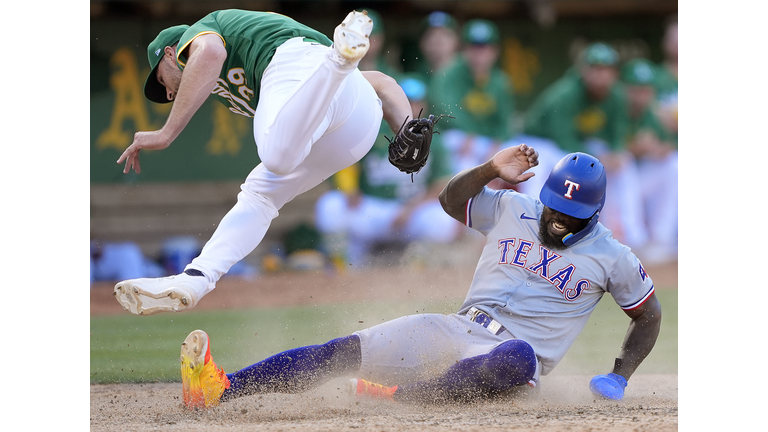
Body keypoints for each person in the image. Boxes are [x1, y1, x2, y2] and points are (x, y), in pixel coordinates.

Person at [176, 145, 661, 409]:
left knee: (517, 357)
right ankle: (219, 388)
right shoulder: (513, 207)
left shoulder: (613, 257)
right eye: (554, 206)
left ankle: (398, 397)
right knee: (341, 351)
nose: (557, 218)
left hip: (513, 357)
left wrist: (620, 375)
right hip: (456, 328)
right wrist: (488, 170)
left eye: (572, 214)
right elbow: (450, 202)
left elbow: (648, 315)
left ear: (595, 212)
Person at [112, 9, 416, 315]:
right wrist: (407, 129)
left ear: (171, 53)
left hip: (301, 64)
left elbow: (211, 52)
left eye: (161, 79)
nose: (168, 92)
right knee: (260, 192)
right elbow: (380, 82)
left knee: (276, 156)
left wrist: (165, 133)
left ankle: (337, 60)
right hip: (355, 125)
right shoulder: (220, 79)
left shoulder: (202, 33)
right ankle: (197, 277)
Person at [314, 75, 460, 267]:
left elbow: (443, 184)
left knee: (442, 218)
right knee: (330, 205)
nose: (411, 107)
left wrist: (411, 208)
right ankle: (342, 267)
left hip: (411, 214)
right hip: (372, 210)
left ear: (424, 105)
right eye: (406, 101)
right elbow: (343, 161)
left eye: (416, 102)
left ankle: (418, 267)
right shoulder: (372, 129)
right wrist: (349, 189)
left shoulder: (434, 139)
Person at [517, 42, 647, 250]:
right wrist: (599, 158)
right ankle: (530, 232)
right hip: (540, 141)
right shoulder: (565, 93)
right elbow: (563, 138)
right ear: (583, 71)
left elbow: (618, 133)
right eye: (595, 68)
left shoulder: (616, 96)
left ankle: (633, 237)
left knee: (624, 162)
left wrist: (615, 152)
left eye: (605, 69)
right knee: (540, 170)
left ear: (614, 73)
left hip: (578, 146)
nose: (600, 74)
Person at [429, 19, 516, 175]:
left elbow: (505, 122)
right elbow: (446, 112)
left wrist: (497, 142)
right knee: (462, 157)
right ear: (464, 50)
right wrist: (469, 132)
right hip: (457, 137)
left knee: (525, 155)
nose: (479, 54)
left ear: (495, 51)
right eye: (474, 47)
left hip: (487, 141)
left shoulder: (500, 82)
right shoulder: (449, 75)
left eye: (484, 48)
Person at [621, 58, 678, 263]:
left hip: (638, 181)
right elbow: (603, 148)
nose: (640, 95)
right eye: (635, 89)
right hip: (611, 185)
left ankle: (661, 238)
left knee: (672, 165)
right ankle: (631, 240)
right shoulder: (615, 108)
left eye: (645, 90)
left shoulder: (653, 114)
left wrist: (659, 149)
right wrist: (635, 148)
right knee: (623, 163)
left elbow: (670, 144)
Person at [411, 11, 460, 82]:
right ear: (421, 42)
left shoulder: (469, 71)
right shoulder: (415, 75)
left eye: (444, 34)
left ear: (456, 41)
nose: (438, 39)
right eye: (431, 34)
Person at [355, 9, 402, 80]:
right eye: (361, 36)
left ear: (381, 38)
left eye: (372, 36)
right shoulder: (341, 70)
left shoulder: (390, 72)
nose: (367, 41)